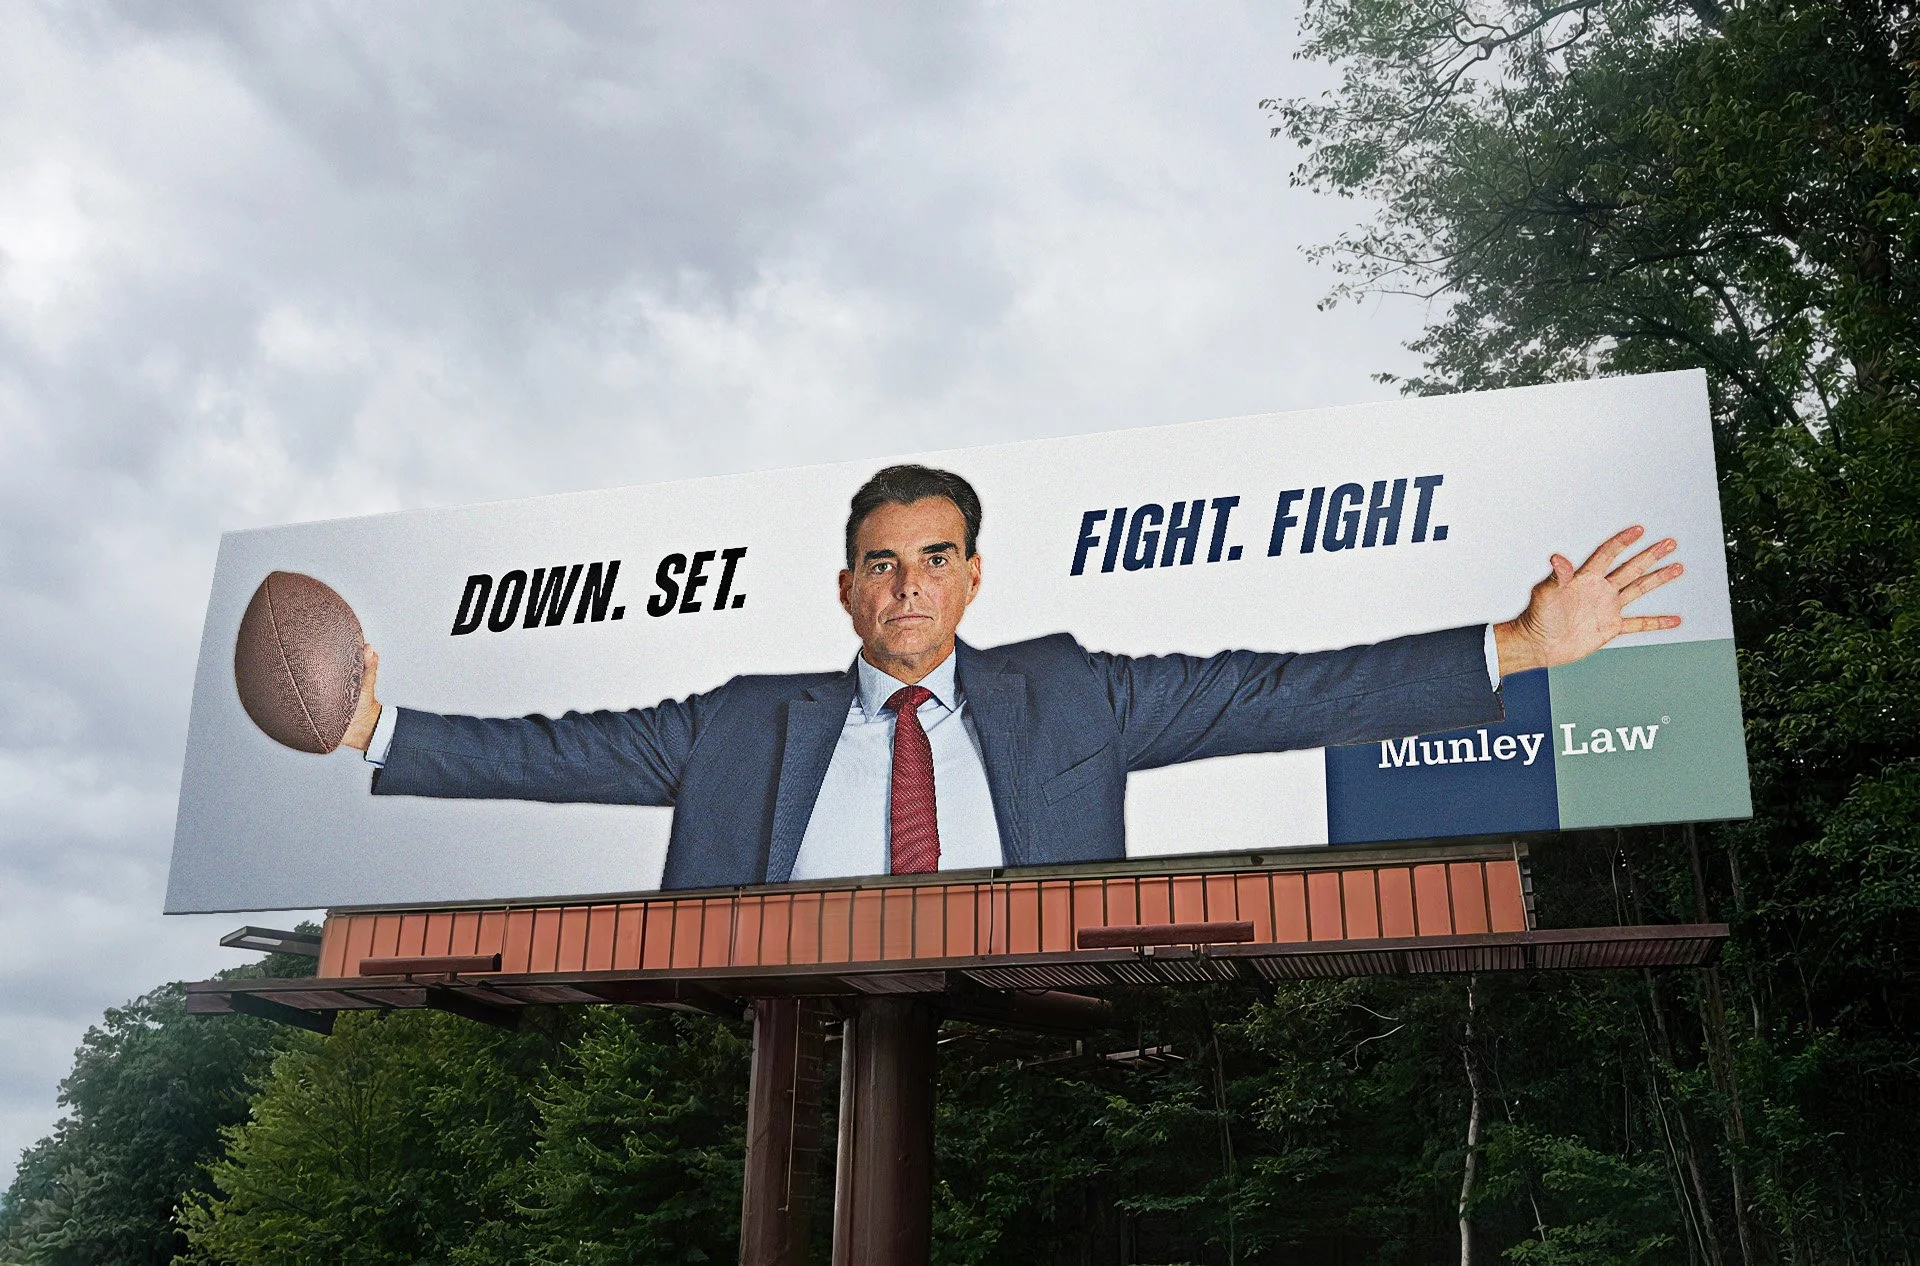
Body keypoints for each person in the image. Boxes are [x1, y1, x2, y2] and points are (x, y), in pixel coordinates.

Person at [341, 465, 1683, 889]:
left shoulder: (1073, 697)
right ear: (847, 588)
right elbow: (556, 753)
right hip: (781, 1032)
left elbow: (1283, 691)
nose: (906, 585)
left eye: (934, 558)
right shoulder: (749, 722)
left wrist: (1512, 646)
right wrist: (374, 724)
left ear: (975, 577)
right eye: (880, 562)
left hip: (1029, 1028)